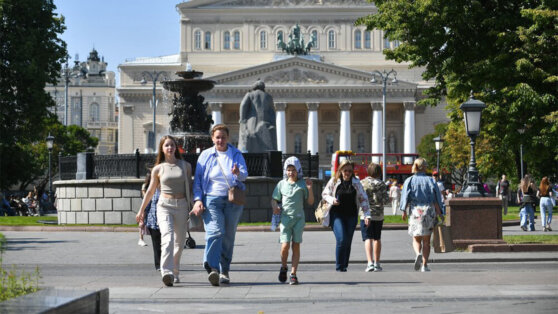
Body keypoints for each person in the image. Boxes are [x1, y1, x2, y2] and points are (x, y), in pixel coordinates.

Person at [192, 124, 248, 286]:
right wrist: (198, 200)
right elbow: (198, 180)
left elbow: (244, 175)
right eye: (217, 137)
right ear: (212, 138)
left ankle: (224, 270)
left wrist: (238, 173)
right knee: (216, 232)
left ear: (227, 138)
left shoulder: (236, 154)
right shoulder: (205, 155)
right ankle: (212, 267)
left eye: (223, 137)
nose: (220, 140)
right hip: (212, 199)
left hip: (233, 200)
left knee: (228, 237)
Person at [136, 135, 193, 287]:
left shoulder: (185, 166)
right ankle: (166, 272)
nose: (170, 148)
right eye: (166, 145)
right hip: (164, 205)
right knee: (167, 238)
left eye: (172, 145)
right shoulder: (158, 169)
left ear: (176, 147)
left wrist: (195, 204)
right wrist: (141, 210)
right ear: (162, 148)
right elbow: (150, 191)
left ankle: (175, 270)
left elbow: (191, 188)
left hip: (181, 205)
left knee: (179, 243)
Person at [321, 159, 371, 272]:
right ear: (340, 170)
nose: (347, 173)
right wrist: (332, 200)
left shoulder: (356, 183)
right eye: (345, 171)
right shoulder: (334, 181)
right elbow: (324, 194)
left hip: (351, 216)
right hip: (336, 215)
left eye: (349, 171)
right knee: (342, 239)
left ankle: (344, 266)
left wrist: (367, 215)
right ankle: (339, 266)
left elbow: (364, 199)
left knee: (347, 241)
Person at [271, 156, 314, 285]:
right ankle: (284, 266)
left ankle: (293, 274)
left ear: (298, 170)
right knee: (285, 246)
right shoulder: (281, 184)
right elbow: (274, 199)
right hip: (285, 220)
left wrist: (310, 189)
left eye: (293, 169)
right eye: (289, 169)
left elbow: (310, 202)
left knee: (296, 245)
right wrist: (275, 207)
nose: (291, 172)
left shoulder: (302, 184)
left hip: (299, 220)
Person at [399, 158, 443, 272]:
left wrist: (403, 210)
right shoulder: (431, 180)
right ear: (425, 167)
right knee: (427, 241)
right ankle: (425, 265)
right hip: (429, 211)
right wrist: (440, 213)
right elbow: (436, 198)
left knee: (416, 238)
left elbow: (405, 197)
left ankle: (418, 253)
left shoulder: (409, 180)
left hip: (415, 211)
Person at [360, 163, 389, 272]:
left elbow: (359, 198)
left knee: (368, 238)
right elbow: (386, 201)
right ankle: (377, 263)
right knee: (377, 238)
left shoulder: (362, 183)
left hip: (365, 214)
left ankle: (369, 262)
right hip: (378, 215)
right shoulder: (381, 184)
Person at [237, 79, 277, 153]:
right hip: (266, 123)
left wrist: (242, 120)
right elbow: (272, 112)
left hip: (252, 123)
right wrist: (273, 124)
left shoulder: (250, 94)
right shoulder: (268, 97)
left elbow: (243, 105)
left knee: (251, 144)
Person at [142, 170, 162, 270]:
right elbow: (147, 204)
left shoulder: (165, 190)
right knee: (156, 244)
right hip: (153, 221)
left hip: (165, 220)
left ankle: (166, 263)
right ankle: (158, 265)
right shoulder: (152, 191)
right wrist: (142, 215)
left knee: (166, 243)